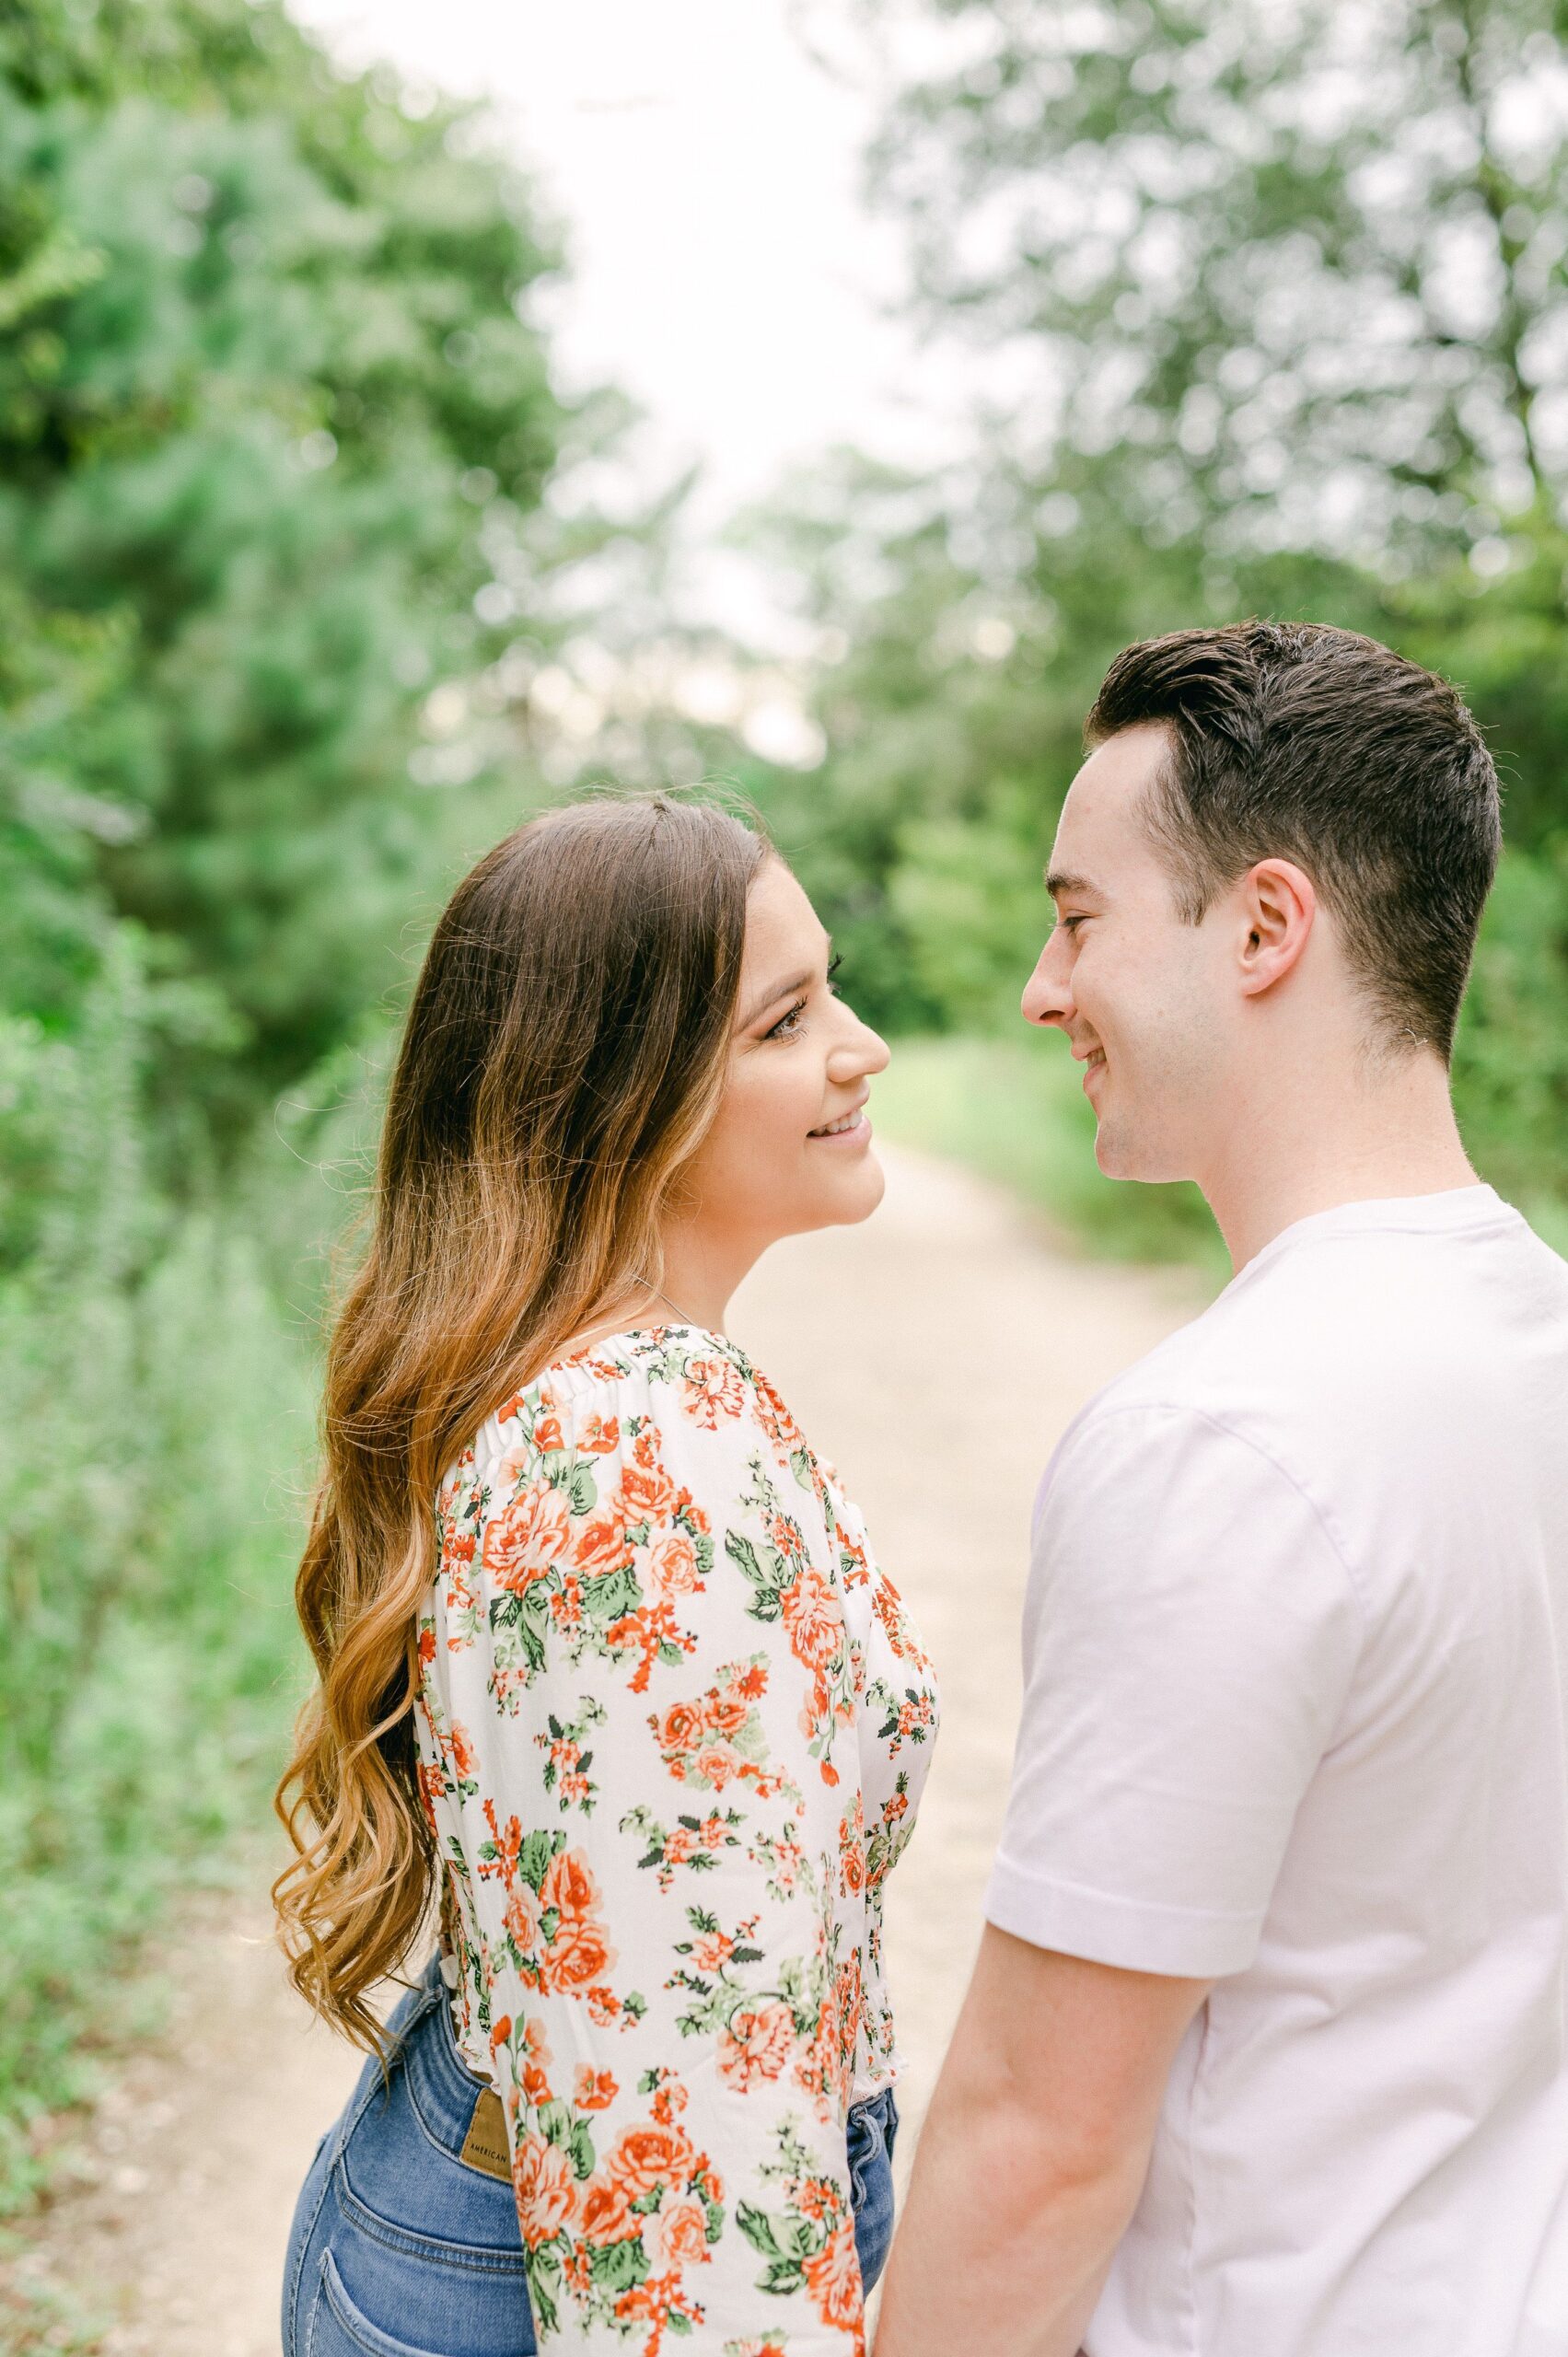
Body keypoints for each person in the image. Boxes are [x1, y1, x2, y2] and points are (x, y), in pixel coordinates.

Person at [872, 621, 1568, 2357]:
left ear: (1266, 929)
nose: (1043, 986)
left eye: (1080, 914)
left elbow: (1040, 2143)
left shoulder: (1224, 1444)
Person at [273, 794, 939, 2357]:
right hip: (583, 2263)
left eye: (828, 990)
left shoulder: (593, 1380)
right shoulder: (644, 1443)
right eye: (785, 1022)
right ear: (617, 1095)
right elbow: (684, 2132)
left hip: (499, 2189)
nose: (861, 1047)